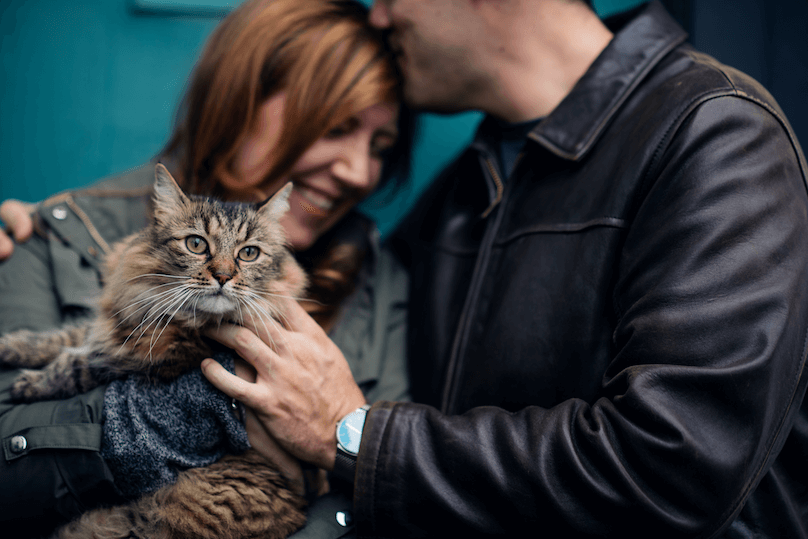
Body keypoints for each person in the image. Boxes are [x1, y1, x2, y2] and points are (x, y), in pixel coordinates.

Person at [198, 0, 808, 537]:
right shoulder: (461, 190)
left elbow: (673, 470)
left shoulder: (715, 136)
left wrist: (353, 433)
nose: (379, 17)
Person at [0, 0, 414, 536]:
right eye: (335, 128)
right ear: (238, 101)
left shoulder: (383, 279)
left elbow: (401, 498)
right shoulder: (51, 234)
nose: (359, 171)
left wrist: (343, 440)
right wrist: (161, 422)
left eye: (380, 146)